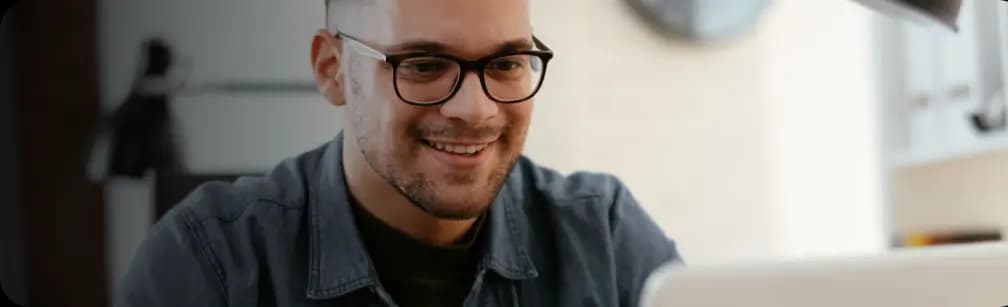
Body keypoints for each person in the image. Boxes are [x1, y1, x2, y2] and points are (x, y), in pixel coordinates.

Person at [117, 0, 680, 306]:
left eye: (507, 63)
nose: (476, 109)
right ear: (333, 70)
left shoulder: (605, 239)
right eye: (424, 66)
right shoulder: (210, 263)